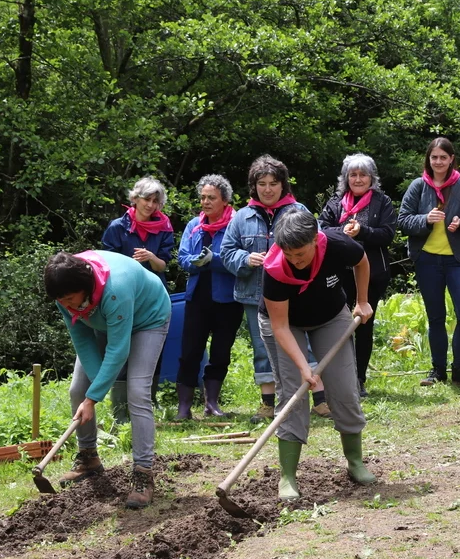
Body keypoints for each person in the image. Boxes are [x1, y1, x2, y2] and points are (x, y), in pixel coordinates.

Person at [261, 208, 376, 498]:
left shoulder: (337, 244)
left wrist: (362, 301)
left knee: (344, 387)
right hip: (286, 326)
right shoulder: (274, 269)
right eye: (289, 254)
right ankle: (288, 476)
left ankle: (355, 462)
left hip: (330, 317)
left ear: (315, 239)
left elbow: (362, 260)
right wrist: (304, 367)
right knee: (293, 393)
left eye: (300, 253)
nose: (295, 260)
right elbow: (280, 327)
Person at [44, 250, 171, 509]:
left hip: (148, 318)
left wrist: (94, 398)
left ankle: (143, 473)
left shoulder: (115, 288)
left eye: (69, 298)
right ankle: (88, 458)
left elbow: (118, 350)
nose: (66, 305)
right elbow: (81, 339)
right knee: (77, 390)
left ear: (85, 287)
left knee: (137, 392)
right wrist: (94, 390)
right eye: (61, 300)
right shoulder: (64, 295)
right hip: (102, 320)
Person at [222, 155, 324, 421]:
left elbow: (319, 245)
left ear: (283, 185)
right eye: (262, 184)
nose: (267, 189)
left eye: (273, 183)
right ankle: (268, 403)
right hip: (254, 295)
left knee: (305, 345)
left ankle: (320, 400)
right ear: (253, 186)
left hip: (297, 293)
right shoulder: (241, 216)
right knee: (262, 349)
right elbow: (226, 251)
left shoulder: (299, 211)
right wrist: (246, 259)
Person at [397, 137, 460, 388]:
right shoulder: (418, 186)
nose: (438, 162)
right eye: (434, 157)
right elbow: (403, 220)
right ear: (428, 159)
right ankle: (438, 370)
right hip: (427, 260)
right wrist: (425, 219)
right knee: (435, 317)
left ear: (451, 159)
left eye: (443, 157)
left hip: (459, 260)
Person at [318, 154, 397, 398]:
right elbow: (321, 229)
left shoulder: (382, 202)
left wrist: (363, 231)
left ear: (372, 178)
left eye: (363, 174)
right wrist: (342, 232)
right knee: (337, 326)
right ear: (346, 178)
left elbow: (388, 234)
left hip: (372, 274)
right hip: (338, 274)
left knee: (363, 325)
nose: (358, 179)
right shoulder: (336, 202)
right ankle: (339, 379)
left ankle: (359, 379)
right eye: (353, 174)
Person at [101, 176, 175, 421]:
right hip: (122, 298)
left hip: (153, 300)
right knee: (120, 347)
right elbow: (105, 265)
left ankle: (146, 406)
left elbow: (163, 265)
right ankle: (120, 413)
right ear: (135, 199)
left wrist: (151, 257)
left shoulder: (165, 227)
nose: (150, 205)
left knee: (152, 352)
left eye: (155, 201)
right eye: (146, 199)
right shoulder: (117, 227)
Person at [175, 174, 242, 420]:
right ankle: (184, 407)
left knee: (221, 352)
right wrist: (197, 261)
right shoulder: (193, 225)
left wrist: (214, 260)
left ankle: (211, 403)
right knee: (189, 352)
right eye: (203, 197)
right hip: (197, 298)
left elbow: (240, 260)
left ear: (225, 200)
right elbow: (182, 258)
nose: (205, 202)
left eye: (211, 198)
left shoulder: (236, 224)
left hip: (228, 299)